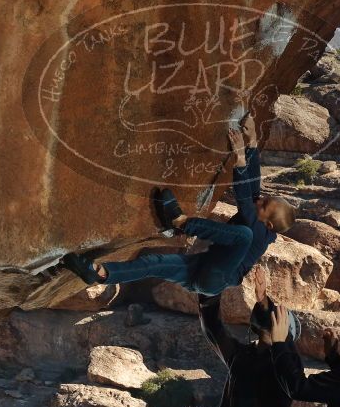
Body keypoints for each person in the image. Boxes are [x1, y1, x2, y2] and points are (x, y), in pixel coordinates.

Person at [57, 116, 296, 296]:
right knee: (155, 264)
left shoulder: (260, 233)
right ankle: (98, 273)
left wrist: (240, 157)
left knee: (243, 235)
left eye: (264, 206)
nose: (260, 201)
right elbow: (254, 188)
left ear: (269, 223)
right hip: (203, 269)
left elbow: (245, 197)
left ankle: (180, 222)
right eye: (266, 199)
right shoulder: (260, 217)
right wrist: (253, 140)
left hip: (216, 279)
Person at [199, 267, 302, 407]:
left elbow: (287, 354)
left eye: (277, 316)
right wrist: (209, 288)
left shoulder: (287, 365)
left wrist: (264, 302)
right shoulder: (242, 357)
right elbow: (212, 328)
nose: (271, 315)